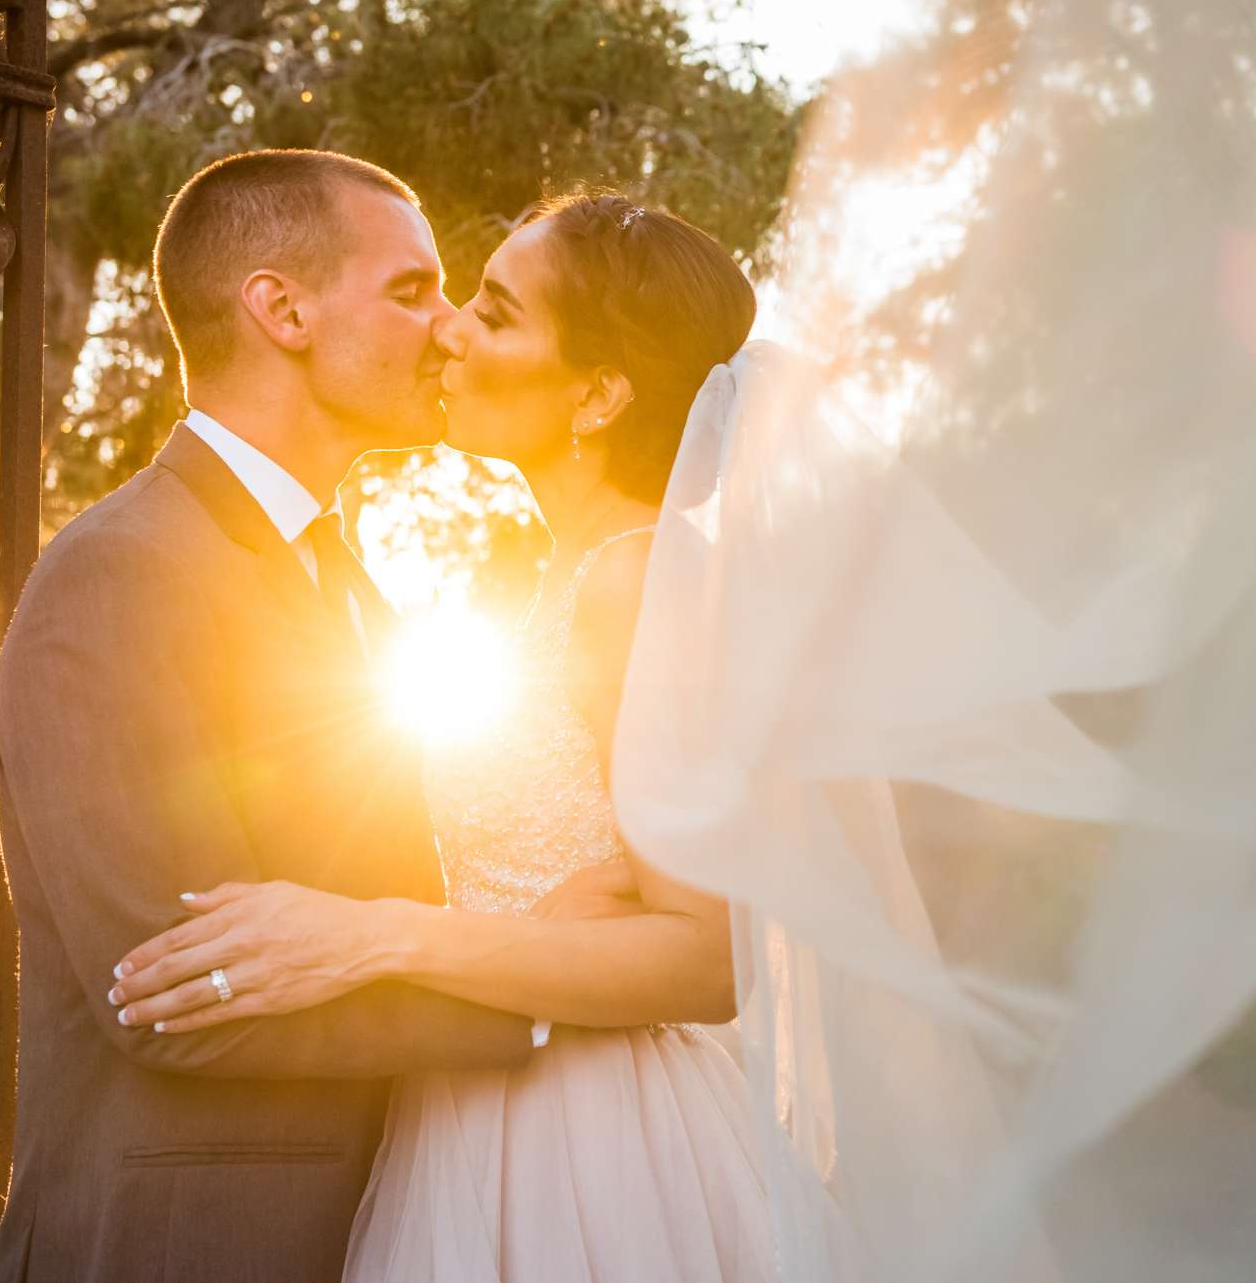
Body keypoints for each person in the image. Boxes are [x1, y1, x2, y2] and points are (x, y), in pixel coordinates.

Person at [107, 191, 782, 1283]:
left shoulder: (628, 579)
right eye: (455, 295)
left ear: (599, 394)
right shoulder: (562, 575)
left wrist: (380, 936)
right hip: (481, 1102)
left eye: (496, 313)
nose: (450, 331)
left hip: (590, 1142)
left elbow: (711, 958)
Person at [0, 150, 535, 1283]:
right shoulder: (120, 571)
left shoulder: (341, 571)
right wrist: (540, 996)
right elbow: (178, 995)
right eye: (411, 288)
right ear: (280, 309)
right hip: (190, 1244)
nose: (446, 328)